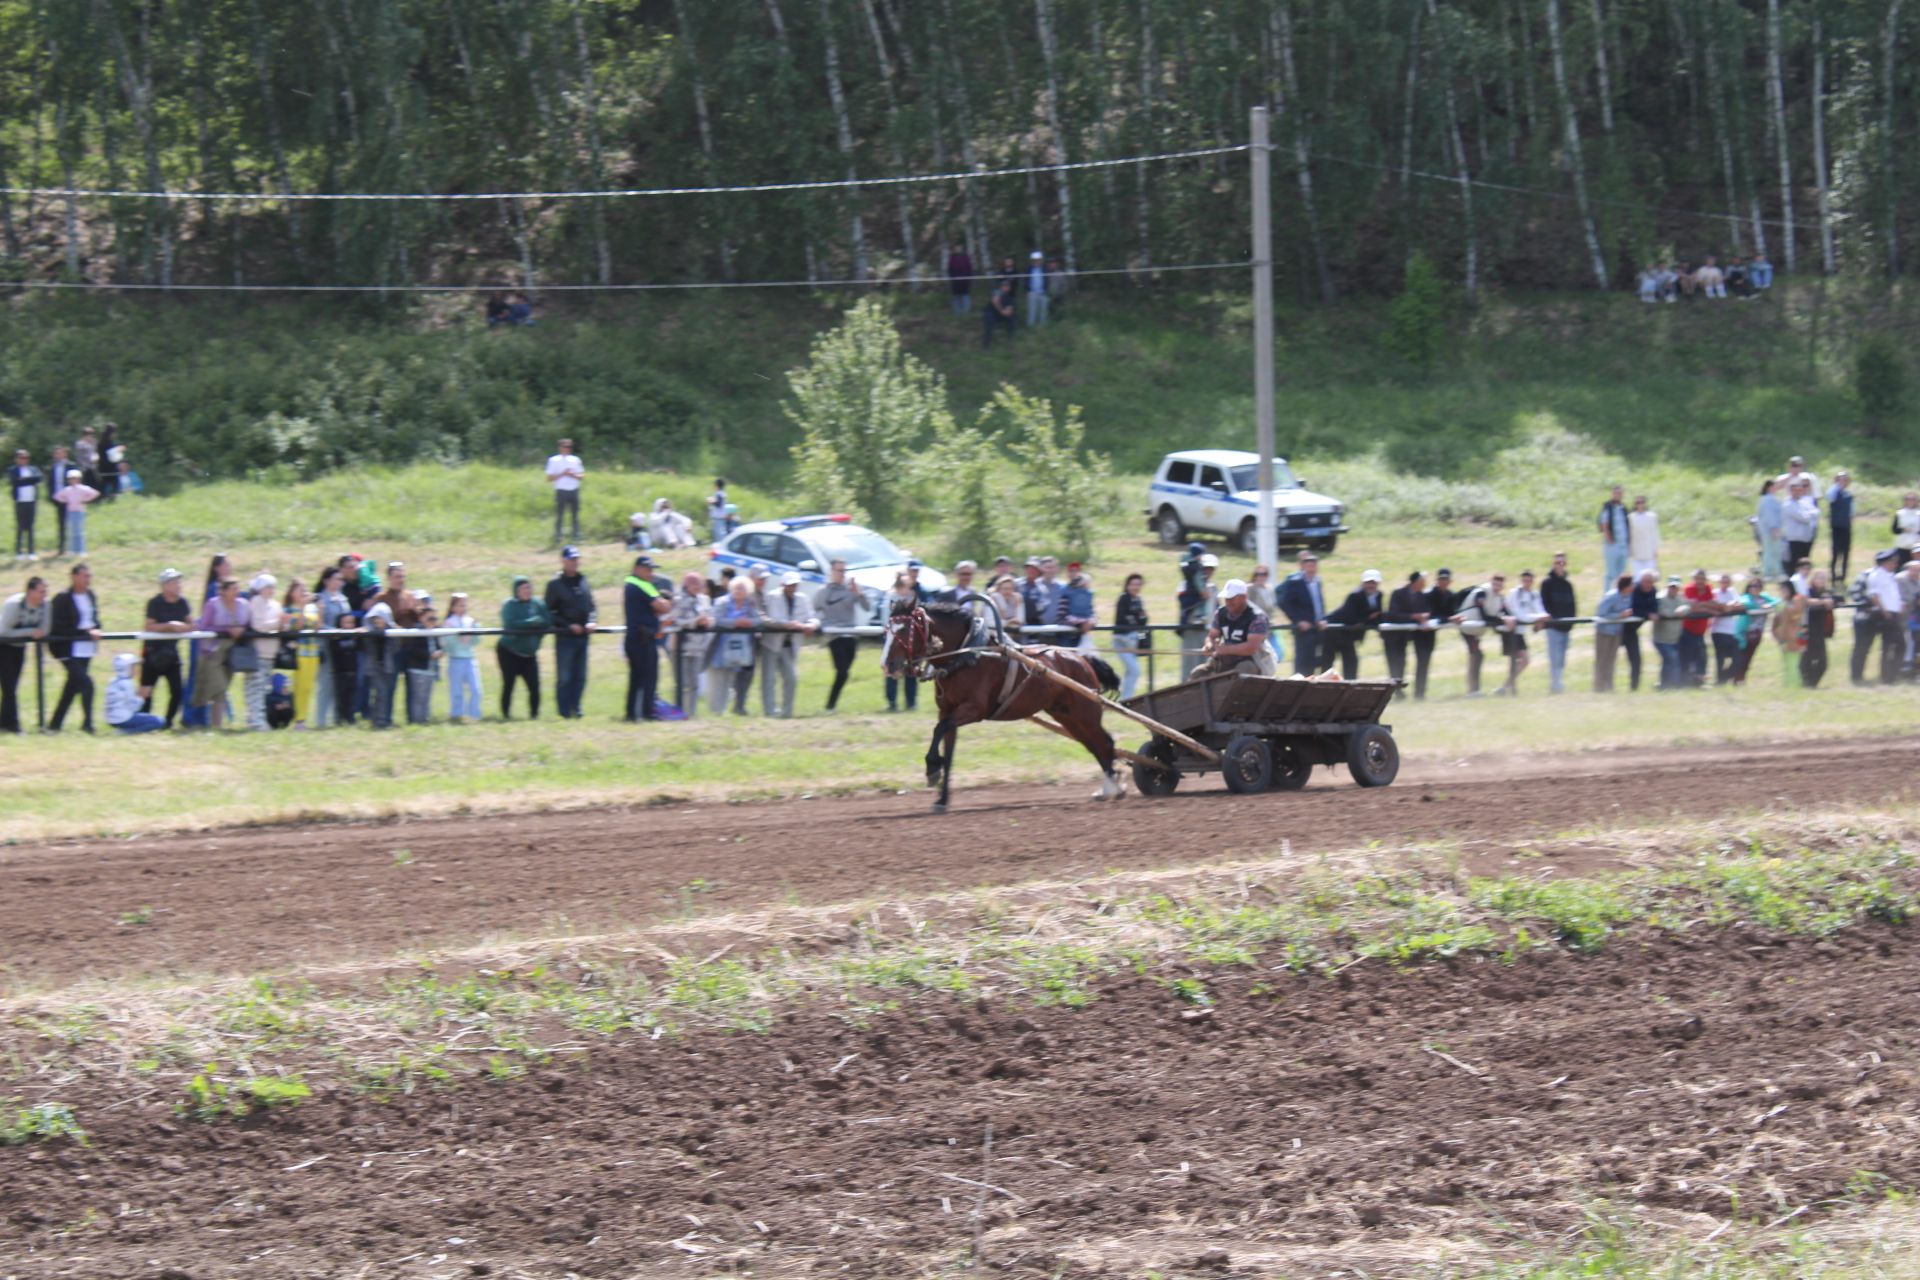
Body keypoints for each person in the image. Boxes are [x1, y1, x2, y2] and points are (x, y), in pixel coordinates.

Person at [46, 563, 102, 732]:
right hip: (67, 649)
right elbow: (59, 627)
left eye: (89, 576)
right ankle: (88, 724)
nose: (88, 579)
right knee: (87, 684)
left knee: (71, 688)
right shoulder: (62, 598)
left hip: (86, 648)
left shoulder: (90, 595)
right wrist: (85, 631)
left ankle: (55, 725)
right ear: (74, 577)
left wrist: (97, 628)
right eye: (85, 576)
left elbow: (94, 618)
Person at [759, 571, 818, 718]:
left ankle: (787, 712)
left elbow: (813, 618)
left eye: (794, 585)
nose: (792, 587)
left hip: (789, 645)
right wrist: (784, 625)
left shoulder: (803, 599)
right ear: (783, 585)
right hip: (771, 643)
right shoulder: (772, 596)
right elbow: (764, 618)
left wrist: (810, 626)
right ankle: (770, 712)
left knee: (791, 678)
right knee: (769, 679)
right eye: (789, 585)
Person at [546, 546, 596, 719]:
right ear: (563, 561)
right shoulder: (555, 584)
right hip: (565, 638)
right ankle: (564, 711)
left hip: (583, 637)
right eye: (571, 559)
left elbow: (591, 606)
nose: (574, 563)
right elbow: (549, 612)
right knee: (565, 677)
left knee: (581, 676)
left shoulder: (584, 580)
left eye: (576, 559)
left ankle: (577, 706)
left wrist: (592, 620)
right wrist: (568, 625)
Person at [193, 575, 248, 730]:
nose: (237, 591)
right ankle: (214, 724)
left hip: (232, 652)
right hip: (212, 651)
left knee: (222, 688)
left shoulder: (243, 605)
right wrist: (226, 630)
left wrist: (241, 630)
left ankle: (215, 725)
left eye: (238, 588)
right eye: (233, 588)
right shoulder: (213, 604)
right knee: (218, 687)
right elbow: (203, 626)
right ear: (223, 591)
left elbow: (249, 623)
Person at [1192, 579, 1278, 678]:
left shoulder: (1257, 617)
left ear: (1244, 597)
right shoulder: (1221, 613)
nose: (1228, 601)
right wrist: (1209, 644)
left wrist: (1225, 650)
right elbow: (1212, 636)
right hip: (1226, 659)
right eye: (1226, 598)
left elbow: (1251, 648)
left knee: (1242, 672)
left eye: (1232, 598)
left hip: (1253, 661)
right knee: (1198, 673)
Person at [141, 568, 193, 728]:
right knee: (147, 693)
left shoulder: (182, 603)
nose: (179, 585)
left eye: (179, 582)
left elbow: (192, 625)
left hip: (171, 654)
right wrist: (169, 626)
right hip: (152, 653)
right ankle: (145, 722)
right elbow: (149, 627)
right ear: (165, 586)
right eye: (175, 582)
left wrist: (180, 627)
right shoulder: (155, 603)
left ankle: (168, 721)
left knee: (177, 691)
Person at [813, 559, 866, 712]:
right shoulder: (822, 592)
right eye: (839, 570)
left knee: (844, 674)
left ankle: (831, 705)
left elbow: (867, 607)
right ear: (832, 571)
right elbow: (814, 611)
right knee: (842, 671)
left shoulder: (851, 589)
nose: (842, 574)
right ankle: (830, 705)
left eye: (844, 570)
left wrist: (859, 593)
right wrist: (819, 623)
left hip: (851, 635)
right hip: (834, 636)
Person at [623, 555, 670, 722]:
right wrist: (665, 601)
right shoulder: (642, 584)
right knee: (649, 676)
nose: (651, 573)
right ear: (637, 569)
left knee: (636, 678)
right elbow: (662, 607)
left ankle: (632, 713)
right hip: (643, 639)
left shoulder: (631, 584)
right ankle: (647, 713)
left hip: (636, 638)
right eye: (648, 569)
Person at [0, 576, 48, 733]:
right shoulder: (14, 605)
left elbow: (45, 629)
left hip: (19, 647)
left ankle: (5, 724)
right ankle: (13, 725)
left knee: (11, 687)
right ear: (30, 591)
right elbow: (4, 631)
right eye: (40, 591)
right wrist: (30, 632)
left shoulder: (45, 606)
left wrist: (33, 633)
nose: (44, 595)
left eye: (45, 591)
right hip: (3, 645)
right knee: (9, 687)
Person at [1450, 573, 1511, 696]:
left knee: (1478, 656)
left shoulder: (1500, 598)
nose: (1497, 586)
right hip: (1468, 627)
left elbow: (1502, 613)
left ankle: (1474, 689)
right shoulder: (1481, 593)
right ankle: (1472, 690)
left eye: (1499, 584)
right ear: (1491, 582)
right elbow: (1483, 614)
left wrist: (1505, 620)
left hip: (1476, 630)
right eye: (1495, 583)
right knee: (1476, 655)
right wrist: (1501, 621)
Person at [498, 576, 551, 719]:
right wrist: (531, 623)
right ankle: (506, 715)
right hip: (509, 652)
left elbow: (547, 621)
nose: (527, 590)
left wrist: (537, 627)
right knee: (509, 684)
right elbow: (510, 624)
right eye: (523, 588)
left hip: (529, 655)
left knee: (534, 686)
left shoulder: (537, 604)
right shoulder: (509, 605)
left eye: (529, 587)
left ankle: (534, 715)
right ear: (516, 590)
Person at [709, 576, 760, 715]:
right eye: (736, 588)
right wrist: (735, 622)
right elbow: (717, 619)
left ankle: (726, 710)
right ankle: (716, 711)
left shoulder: (750, 604)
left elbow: (757, 620)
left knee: (732, 681)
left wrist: (749, 622)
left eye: (742, 588)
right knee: (719, 681)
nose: (739, 591)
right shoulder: (722, 602)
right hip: (721, 646)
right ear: (731, 589)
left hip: (741, 649)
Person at [1323, 569, 1384, 680]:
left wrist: (1369, 620)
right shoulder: (1354, 595)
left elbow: (1377, 615)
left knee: (1351, 663)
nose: (1371, 585)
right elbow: (1350, 617)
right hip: (1335, 631)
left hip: (1349, 635)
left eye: (1373, 583)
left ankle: (1349, 689)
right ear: (1363, 583)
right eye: (1368, 582)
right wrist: (1368, 618)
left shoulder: (1379, 595)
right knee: (1328, 664)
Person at [1382, 571, 1433, 700]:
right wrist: (1413, 616)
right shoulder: (1398, 593)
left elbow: (1426, 610)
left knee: (1422, 660)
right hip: (1397, 635)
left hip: (1416, 633)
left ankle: (1419, 693)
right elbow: (1393, 614)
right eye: (1422, 582)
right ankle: (1398, 692)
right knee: (1398, 663)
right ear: (1415, 582)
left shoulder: (1422, 595)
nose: (1424, 584)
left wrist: (1424, 616)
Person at [668, 571, 714, 715]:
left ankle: (691, 713)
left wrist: (708, 621)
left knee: (694, 683)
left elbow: (712, 616)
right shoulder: (678, 600)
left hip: (698, 647)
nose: (697, 586)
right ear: (686, 585)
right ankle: (678, 712)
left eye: (699, 583)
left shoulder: (704, 599)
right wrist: (694, 622)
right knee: (681, 683)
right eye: (694, 584)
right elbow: (674, 621)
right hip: (681, 648)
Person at [1278, 552, 1330, 676]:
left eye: (1314, 564)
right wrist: (1298, 620)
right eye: (1308, 564)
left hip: (1318, 627)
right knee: (1303, 665)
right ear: (1302, 566)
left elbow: (1319, 602)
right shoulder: (1295, 582)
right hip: (1304, 630)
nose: (1311, 566)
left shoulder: (1317, 581)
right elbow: (1284, 603)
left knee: (1320, 661)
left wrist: (1322, 618)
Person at [242, 572, 282, 731]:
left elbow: (277, 625)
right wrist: (278, 622)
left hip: (270, 652)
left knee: (263, 688)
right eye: (268, 587)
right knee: (255, 687)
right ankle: (257, 721)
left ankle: (257, 719)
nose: (271, 590)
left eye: (273, 587)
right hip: (257, 651)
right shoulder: (255, 603)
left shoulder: (276, 605)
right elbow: (259, 625)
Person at [316, 567, 355, 727]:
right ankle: (321, 720)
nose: (340, 582)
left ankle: (336, 718)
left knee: (339, 685)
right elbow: (318, 624)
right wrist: (334, 631)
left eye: (341, 579)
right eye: (336, 579)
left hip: (343, 649)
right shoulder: (320, 600)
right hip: (326, 646)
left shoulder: (343, 600)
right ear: (326, 581)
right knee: (325, 684)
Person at [1861, 548, 1907, 684]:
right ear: (1885, 563)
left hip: (1894, 612)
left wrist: (1899, 604)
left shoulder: (1889, 575)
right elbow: (1874, 595)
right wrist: (1884, 611)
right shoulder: (1877, 575)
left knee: (1897, 645)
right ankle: (1888, 676)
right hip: (1886, 614)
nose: (1895, 564)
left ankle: (1891, 673)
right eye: (1893, 561)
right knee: (1890, 645)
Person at [1502, 569, 1547, 695]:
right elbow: (1518, 613)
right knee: (1519, 659)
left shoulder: (1534, 594)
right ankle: (1507, 687)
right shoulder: (1515, 593)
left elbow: (1540, 610)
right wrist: (1537, 618)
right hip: (1510, 630)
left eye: (1529, 580)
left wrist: (1543, 617)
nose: (1527, 582)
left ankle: (1506, 687)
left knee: (1523, 660)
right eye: (1524, 580)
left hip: (1519, 632)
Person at [441, 592, 482, 724]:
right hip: (455, 660)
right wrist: (458, 638)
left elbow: (476, 642)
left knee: (476, 689)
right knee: (456, 690)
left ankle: (474, 714)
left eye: (464, 605)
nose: (463, 607)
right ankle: (457, 714)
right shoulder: (448, 623)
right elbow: (446, 643)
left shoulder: (470, 621)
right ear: (453, 607)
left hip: (470, 659)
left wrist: (475, 630)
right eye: (460, 605)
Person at [1540, 552, 1578, 694]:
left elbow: (1573, 603)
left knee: (1562, 658)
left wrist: (1571, 622)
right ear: (1553, 564)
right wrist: (1551, 619)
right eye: (1557, 563)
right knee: (1555, 657)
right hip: (1553, 627)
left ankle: (1558, 682)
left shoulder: (1568, 584)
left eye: (1563, 563)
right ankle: (1555, 685)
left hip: (1566, 627)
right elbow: (1544, 603)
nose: (1560, 566)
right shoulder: (1547, 583)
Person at [1731, 572, 1777, 685]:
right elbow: (1742, 603)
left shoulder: (1765, 598)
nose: (1755, 588)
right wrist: (1757, 607)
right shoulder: (1746, 597)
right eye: (1752, 586)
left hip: (1758, 633)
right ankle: (1735, 679)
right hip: (1745, 633)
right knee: (1741, 657)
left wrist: (1769, 606)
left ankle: (1741, 679)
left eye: (1757, 586)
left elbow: (1777, 601)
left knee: (1749, 657)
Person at [882, 576, 920, 711]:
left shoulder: (913, 598)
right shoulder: (890, 598)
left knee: (911, 669)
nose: (907, 589)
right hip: (894, 639)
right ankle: (892, 702)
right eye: (905, 586)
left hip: (910, 639)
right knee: (892, 669)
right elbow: (886, 620)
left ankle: (911, 702)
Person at [103, 653, 164, 734]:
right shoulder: (127, 683)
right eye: (133, 667)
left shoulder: (113, 681)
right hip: (123, 719)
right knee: (160, 721)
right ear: (125, 668)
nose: (136, 669)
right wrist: (142, 697)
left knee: (145, 717)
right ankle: (126, 732)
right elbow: (133, 707)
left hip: (111, 719)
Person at [1113, 573, 1150, 699]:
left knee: (1131, 671)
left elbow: (1143, 620)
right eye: (1133, 584)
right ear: (1127, 585)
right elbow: (1123, 618)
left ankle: (1126, 698)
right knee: (1135, 670)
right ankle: (1126, 699)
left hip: (1133, 641)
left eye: (1138, 584)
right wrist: (1137, 617)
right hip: (1122, 641)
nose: (1136, 587)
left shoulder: (1138, 600)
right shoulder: (1123, 598)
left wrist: (1138, 618)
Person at [1592, 574, 1631, 693]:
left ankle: (1609, 686)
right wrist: (1619, 615)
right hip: (1604, 633)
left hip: (1616, 633)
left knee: (1612, 660)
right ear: (1625, 586)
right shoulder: (1611, 596)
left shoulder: (1628, 597)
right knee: (1602, 661)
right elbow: (1600, 614)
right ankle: (1599, 688)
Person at [50, 469, 99, 558]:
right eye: (71, 479)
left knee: (80, 531)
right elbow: (56, 496)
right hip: (70, 511)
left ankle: (81, 550)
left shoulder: (83, 488)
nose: (73, 480)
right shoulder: (67, 490)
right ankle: (72, 550)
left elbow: (95, 493)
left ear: (79, 479)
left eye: (75, 478)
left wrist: (85, 500)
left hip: (80, 511)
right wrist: (65, 501)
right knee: (72, 531)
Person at [1679, 568, 1715, 688]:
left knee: (1702, 657)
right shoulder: (1689, 589)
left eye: (1702, 579)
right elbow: (1692, 606)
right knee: (1688, 657)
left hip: (1700, 631)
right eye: (1698, 579)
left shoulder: (1708, 589)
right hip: (1687, 629)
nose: (1700, 581)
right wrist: (1707, 607)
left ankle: (1699, 681)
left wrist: (1704, 605)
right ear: (1694, 579)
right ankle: (1686, 682)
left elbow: (1713, 603)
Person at [1799, 569, 1835, 689]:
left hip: (1820, 631)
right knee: (1806, 659)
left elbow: (1836, 600)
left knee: (1823, 662)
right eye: (1819, 578)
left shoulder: (1826, 593)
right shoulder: (1808, 591)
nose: (1822, 580)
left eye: (1824, 578)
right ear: (1813, 579)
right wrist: (1822, 602)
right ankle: (1806, 682)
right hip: (1808, 629)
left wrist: (1831, 602)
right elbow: (1806, 601)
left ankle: (1812, 683)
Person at [545, 439, 584, 546]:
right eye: (565, 446)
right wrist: (562, 474)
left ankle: (576, 537)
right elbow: (549, 478)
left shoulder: (576, 460)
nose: (567, 449)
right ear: (560, 448)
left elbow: (581, 476)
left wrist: (573, 475)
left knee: (575, 515)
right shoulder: (553, 460)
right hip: (561, 490)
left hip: (574, 490)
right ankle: (558, 537)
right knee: (560, 515)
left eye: (569, 447)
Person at [1246, 566, 1286, 670]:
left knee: (1277, 654)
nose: (1261, 577)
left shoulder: (1270, 589)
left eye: (1264, 574)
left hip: (1269, 627)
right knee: (1258, 655)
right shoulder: (1250, 589)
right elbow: (1248, 607)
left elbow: (1272, 609)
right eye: (1259, 574)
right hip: (1255, 627)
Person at [1652, 576, 1686, 691]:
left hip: (1675, 639)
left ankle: (1663, 685)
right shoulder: (1660, 598)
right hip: (1662, 639)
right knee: (1673, 659)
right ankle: (1676, 686)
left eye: (1675, 587)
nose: (1673, 589)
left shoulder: (1680, 599)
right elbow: (1663, 612)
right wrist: (1676, 612)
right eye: (1671, 587)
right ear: (1667, 586)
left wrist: (1684, 610)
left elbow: (1687, 607)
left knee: (1668, 662)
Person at [1709, 572, 1742, 685]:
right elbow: (1715, 605)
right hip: (1718, 630)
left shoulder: (1732, 592)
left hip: (1732, 630)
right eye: (1722, 581)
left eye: (1727, 582)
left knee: (1738, 659)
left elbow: (1739, 604)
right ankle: (1719, 680)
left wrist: (1730, 605)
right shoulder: (1715, 593)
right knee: (1720, 658)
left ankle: (1723, 677)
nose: (1725, 584)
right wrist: (1725, 607)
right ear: (1719, 583)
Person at [8, 449, 40, 561]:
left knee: (31, 526)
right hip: (20, 501)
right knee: (20, 526)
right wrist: (29, 481)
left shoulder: (33, 469)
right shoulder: (13, 470)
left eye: (26, 458)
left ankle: (31, 551)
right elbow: (15, 481)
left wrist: (24, 480)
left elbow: (38, 478)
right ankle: (19, 552)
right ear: (17, 459)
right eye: (22, 457)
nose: (24, 460)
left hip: (31, 501)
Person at [1781, 476, 1819, 570]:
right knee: (1794, 563)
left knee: (1804, 563)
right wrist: (1810, 515)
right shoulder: (1788, 504)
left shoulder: (1804, 502)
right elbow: (1803, 518)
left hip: (1805, 538)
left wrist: (1809, 514)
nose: (1798, 493)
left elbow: (1817, 512)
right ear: (1791, 491)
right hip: (1794, 539)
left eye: (1799, 490)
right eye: (1795, 490)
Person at [1597, 485, 1629, 588]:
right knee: (1611, 573)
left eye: (1619, 493)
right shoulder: (1608, 507)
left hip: (1623, 544)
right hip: (1612, 545)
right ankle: (1607, 594)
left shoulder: (1623, 508)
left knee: (1621, 573)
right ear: (1612, 494)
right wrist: (1610, 540)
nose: (1617, 495)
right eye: (1615, 493)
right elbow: (1604, 524)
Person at [1753, 479, 1785, 578]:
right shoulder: (1768, 500)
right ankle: (1769, 572)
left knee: (1774, 551)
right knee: (1770, 551)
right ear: (1770, 488)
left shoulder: (1770, 499)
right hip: (1770, 530)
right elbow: (1770, 515)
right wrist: (1774, 528)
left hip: (1771, 529)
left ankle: (1775, 571)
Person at [1828, 470, 1855, 582]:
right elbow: (1829, 496)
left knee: (1846, 552)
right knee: (1835, 552)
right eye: (1841, 479)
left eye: (1845, 480)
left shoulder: (1848, 495)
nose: (1843, 482)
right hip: (1836, 527)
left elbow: (1852, 511)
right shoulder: (1834, 492)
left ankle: (1843, 575)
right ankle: (1833, 575)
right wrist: (1837, 484)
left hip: (1846, 526)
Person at [1627, 495, 1661, 579]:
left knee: (1650, 575)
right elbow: (1629, 534)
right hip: (1636, 550)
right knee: (1637, 576)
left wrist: (1655, 549)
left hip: (1648, 550)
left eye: (1642, 502)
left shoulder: (1651, 516)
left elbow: (1655, 533)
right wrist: (1629, 549)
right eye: (1637, 503)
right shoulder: (1631, 517)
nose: (1640, 505)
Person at [981, 279, 1016, 348]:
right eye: (1004, 286)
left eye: (1007, 286)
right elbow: (995, 301)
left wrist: (1007, 312)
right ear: (1001, 287)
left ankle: (1011, 339)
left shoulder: (1010, 297)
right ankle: (986, 345)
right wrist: (1002, 311)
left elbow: (1010, 308)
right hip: (991, 313)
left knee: (1012, 317)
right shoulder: (997, 292)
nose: (1006, 287)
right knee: (989, 320)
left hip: (1000, 315)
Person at [1893, 491, 1920, 568]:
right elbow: (1894, 529)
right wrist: (1903, 530)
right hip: (1902, 544)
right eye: (1908, 499)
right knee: (1901, 565)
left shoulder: (1918, 513)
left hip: (1916, 543)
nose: (1910, 501)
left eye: (1913, 499)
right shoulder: (1900, 513)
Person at [946, 242, 973, 314]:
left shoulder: (965, 257)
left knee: (965, 296)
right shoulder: (952, 258)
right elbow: (950, 269)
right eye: (956, 248)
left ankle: (966, 312)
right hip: (955, 281)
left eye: (959, 248)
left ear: (961, 248)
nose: (957, 249)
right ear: (954, 249)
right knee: (956, 296)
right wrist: (952, 278)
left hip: (965, 281)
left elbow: (969, 268)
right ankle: (957, 312)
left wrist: (968, 278)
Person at [1025, 250, 1049, 328]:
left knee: (1043, 311)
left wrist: (1046, 289)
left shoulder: (1044, 269)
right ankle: (1031, 327)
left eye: (1038, 260)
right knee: (1032, 311)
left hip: (1043, 292)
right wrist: (1028, 290)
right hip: (1032, 293)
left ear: (1040, 260)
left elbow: (1047, 279)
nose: (1037, 261)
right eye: (1035, 260)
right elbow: (1025, 280)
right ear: (1032, 260)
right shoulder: (1029, 269)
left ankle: (1043, 327)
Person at [707, 478, 730, 544]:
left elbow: (719, 504)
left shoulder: (719, 493)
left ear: (717, 485)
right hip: (721, 516)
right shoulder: (722, 493)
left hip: (718, 517)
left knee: (719, 533)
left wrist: (711, 501)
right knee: (720, 532)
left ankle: (721, 546)